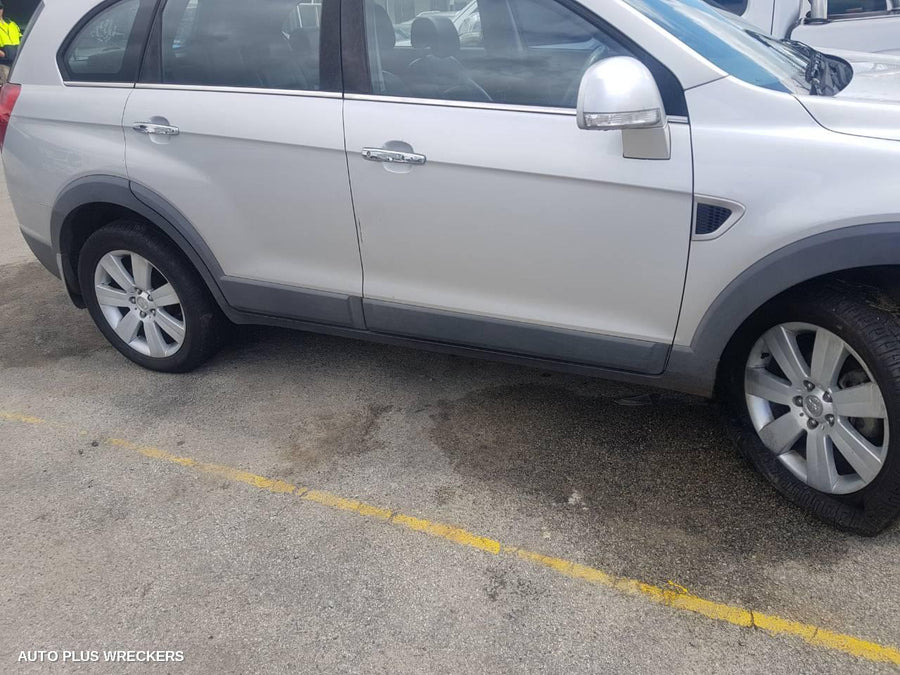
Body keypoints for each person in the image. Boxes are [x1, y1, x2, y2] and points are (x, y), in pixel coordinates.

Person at [0, 2, 22, 85]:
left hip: (17, 62)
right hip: (3, 64)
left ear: (3, 9)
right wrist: (3, 55)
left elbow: (21, 38)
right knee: (8, 87)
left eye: (0, 8)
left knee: (19, 87)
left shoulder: (12, 24)